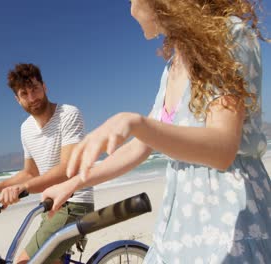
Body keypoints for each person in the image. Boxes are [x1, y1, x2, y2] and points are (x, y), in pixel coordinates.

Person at [42, 0, 270, 263]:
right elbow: (139, 146)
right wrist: (74, 183)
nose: (129, 10)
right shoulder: (172, 66)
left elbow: (223, 148)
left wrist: (137, 123)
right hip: (180, 220)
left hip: (230, 217)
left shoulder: (229, 35)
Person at [0, 63, 94, 264]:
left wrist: (23, 188)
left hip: (75, 203)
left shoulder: (68, 114)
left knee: (24, 262)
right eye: (24, 94)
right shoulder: (25, 129)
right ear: (17, 99)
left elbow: (67, 170)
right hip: (48, 206)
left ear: (44, 87)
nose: (32, 98)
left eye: (35, 89)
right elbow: (30, 172)